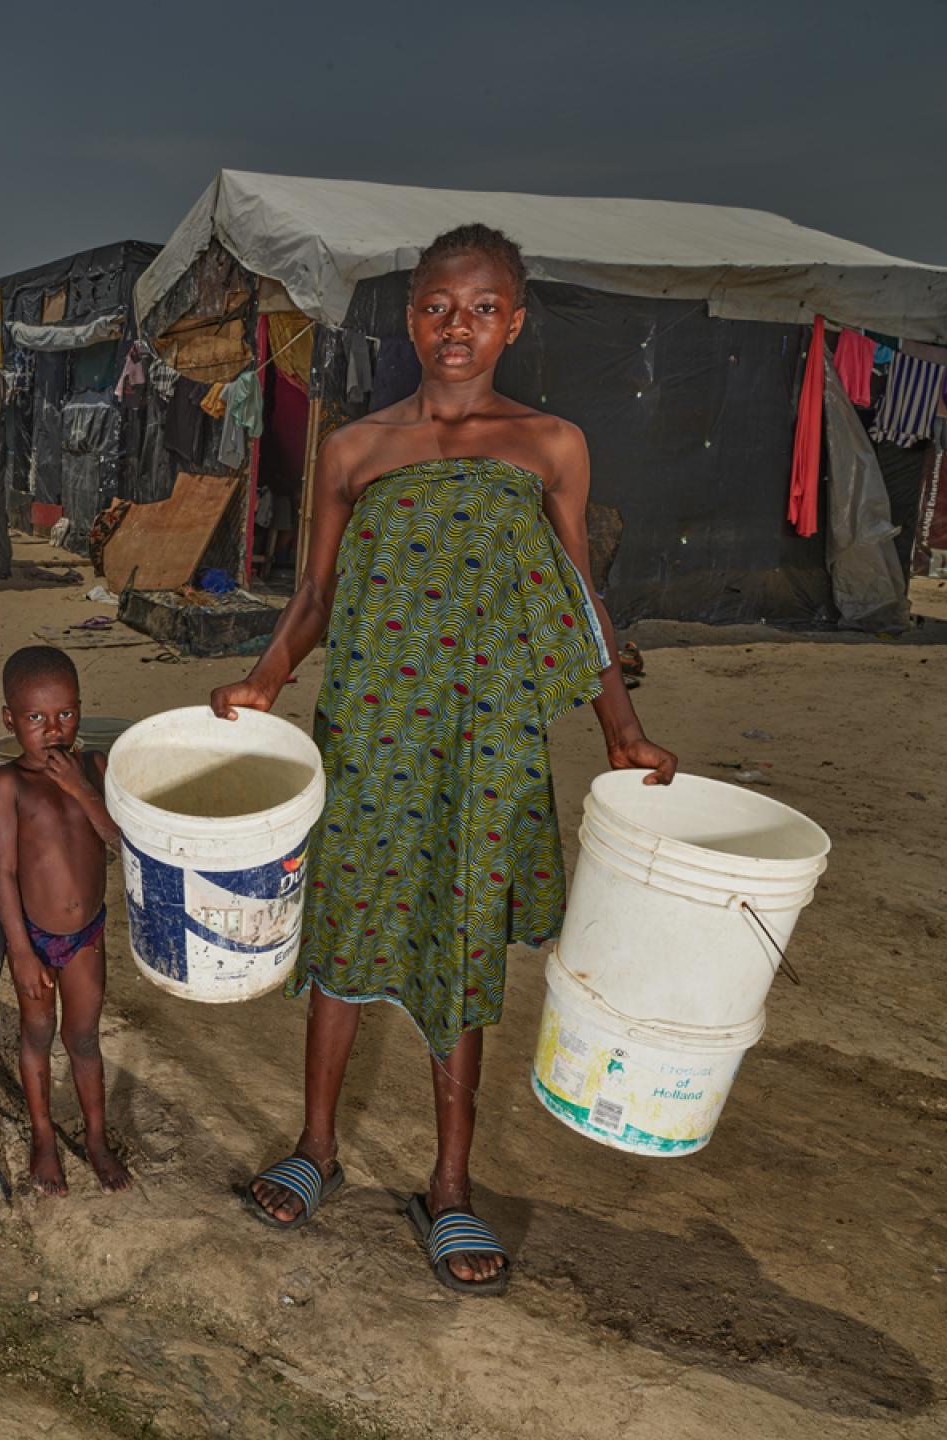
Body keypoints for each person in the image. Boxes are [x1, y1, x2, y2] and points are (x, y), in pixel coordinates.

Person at [210, 224, 676, 1295]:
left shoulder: (550, 444)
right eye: (434, 307)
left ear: (512, 320)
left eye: (478, 309)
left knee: (455, 947)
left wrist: (620, 730)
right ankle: (316, 1145)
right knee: (344, 933)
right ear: (408, 316)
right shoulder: (355, 450)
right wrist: (264, 682)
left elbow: (580, 601)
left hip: (485, 736)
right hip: (370, 732)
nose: (454, 328)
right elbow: (318, 598)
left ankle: (451, 1186)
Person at [0, 646, 131, 1196]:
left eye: (65, 715)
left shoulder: (92, 767)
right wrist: (20, 953)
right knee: (38, 1032)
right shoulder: (7, 786)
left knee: (84, 1038)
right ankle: (44, 1136)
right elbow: (2, 873)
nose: (53, 730)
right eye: (35, 719)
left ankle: (95, 1139)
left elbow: (116, 842)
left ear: (80, 710)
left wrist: (79, 789)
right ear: (10, 720)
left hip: (88, 933)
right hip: (34, 937)